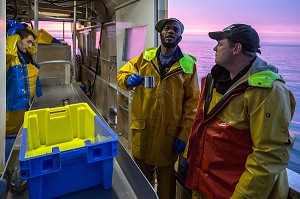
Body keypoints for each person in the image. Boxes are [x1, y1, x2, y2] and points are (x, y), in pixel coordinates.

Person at [184, 24, 296, 199]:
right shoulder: (213, 81)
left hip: (231, 192)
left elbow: (268, 155)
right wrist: (188, 157)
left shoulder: (268, 91)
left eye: (220, 43)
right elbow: (200, 124)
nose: (214, 48)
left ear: (236, 48)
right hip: (203, 184)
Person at [117, 18, 199, 199]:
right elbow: (122, 73)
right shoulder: (145, 57)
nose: (170, 32)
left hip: (168, 135)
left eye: (175, 30)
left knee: (166, 184)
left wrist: (184, 134)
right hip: (143, 130)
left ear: (180, 36)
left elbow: (192, 105)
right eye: (167, 29)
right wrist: (128, 79)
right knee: (140, 180)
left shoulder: (188, 66)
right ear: (160, 33)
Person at [5, 20, 42, 159]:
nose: (30, 46)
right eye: (28, 41)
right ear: (17, 39)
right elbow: (8, 51)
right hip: (11, 111)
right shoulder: (10, 58)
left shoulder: (27, 58)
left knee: (20, 143)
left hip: (25, 107)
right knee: (9, 144)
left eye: (32, 43)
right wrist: (14, 35)